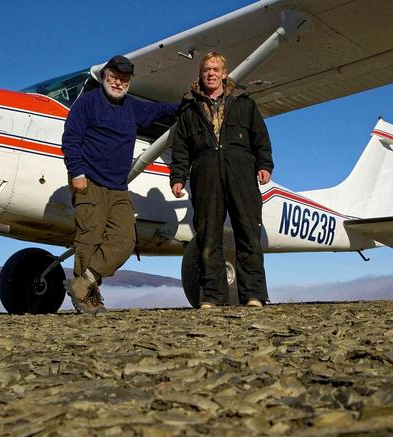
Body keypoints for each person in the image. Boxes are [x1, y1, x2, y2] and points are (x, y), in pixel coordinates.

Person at [62, 55, 178, 314]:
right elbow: (71, 138)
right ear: (104, 77)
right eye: (114, 77)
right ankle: (88, 299)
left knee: (126, 240)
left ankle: (85, 281)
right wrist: (76, 172)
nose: (118, 83)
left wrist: (185, 104)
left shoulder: (132, 107)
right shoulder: (87, 103)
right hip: (89, 182)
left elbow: (159, 110)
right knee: (89, 236)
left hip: (118, 187)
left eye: (124, 79)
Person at [170, 51, 274, 309]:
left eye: (216, 69)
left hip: (241, 174)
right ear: (201, 73)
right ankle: (212, 297)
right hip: (205, 176)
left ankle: (253, 295)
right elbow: (181, 146)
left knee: (248, 232)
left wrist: (264, 164)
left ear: (225, 73)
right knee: (208, 235)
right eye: (207, 69)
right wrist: (178, 176)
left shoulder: (244, 102)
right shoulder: (189, 107)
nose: (211, 73)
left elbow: (260, 137)